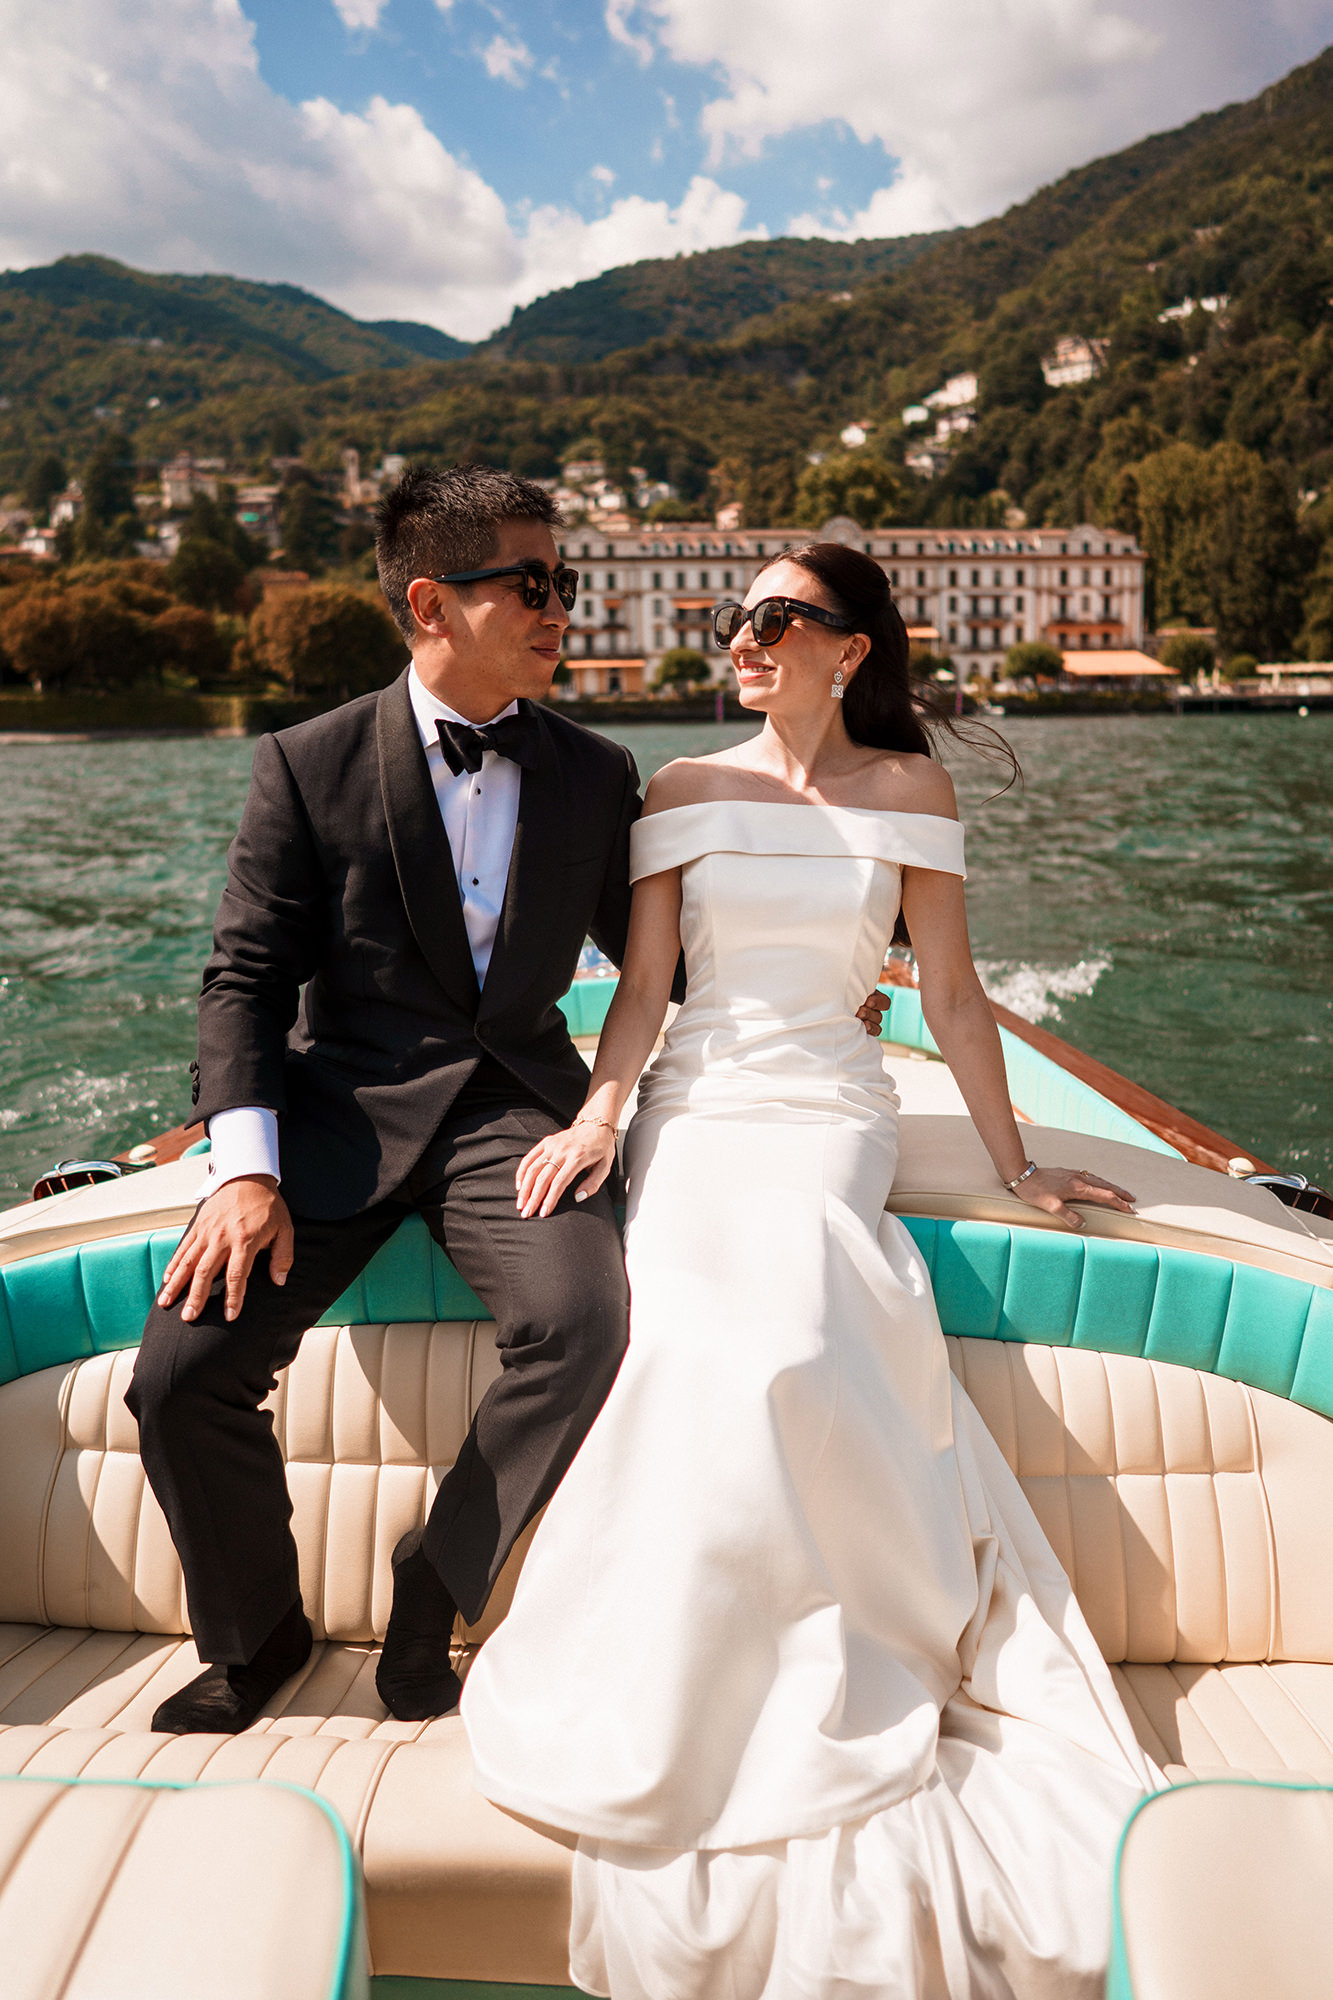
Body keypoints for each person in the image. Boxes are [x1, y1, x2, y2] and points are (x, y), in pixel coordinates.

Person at [462, 542, 1160, 2000]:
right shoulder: (680, 789)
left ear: (850, 650)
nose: (745, 636)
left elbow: (951, 994)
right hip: (700, 1105)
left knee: (790, 1312)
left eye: (777, 618)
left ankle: (827, 1642)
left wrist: (1018, 1161)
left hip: (832, 1105)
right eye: (739, 616)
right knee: (689, 1321)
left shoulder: (913, 793)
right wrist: (599, 1117)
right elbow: (644, 990)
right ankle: (683, 1662)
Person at [126, 465, 654, 1732]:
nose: (561, 608)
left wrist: (827, 965)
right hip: (332, 1116)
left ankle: (436, 1584)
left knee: (582, 1321)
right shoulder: (305, 762)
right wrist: (244, 1169)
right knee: (179, 1374)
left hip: (514, 1112)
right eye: (532, 583)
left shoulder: (597, 772)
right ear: (429, 602)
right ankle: (257, 1634)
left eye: (565, 581)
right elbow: (244, 977)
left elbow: (660, 957)